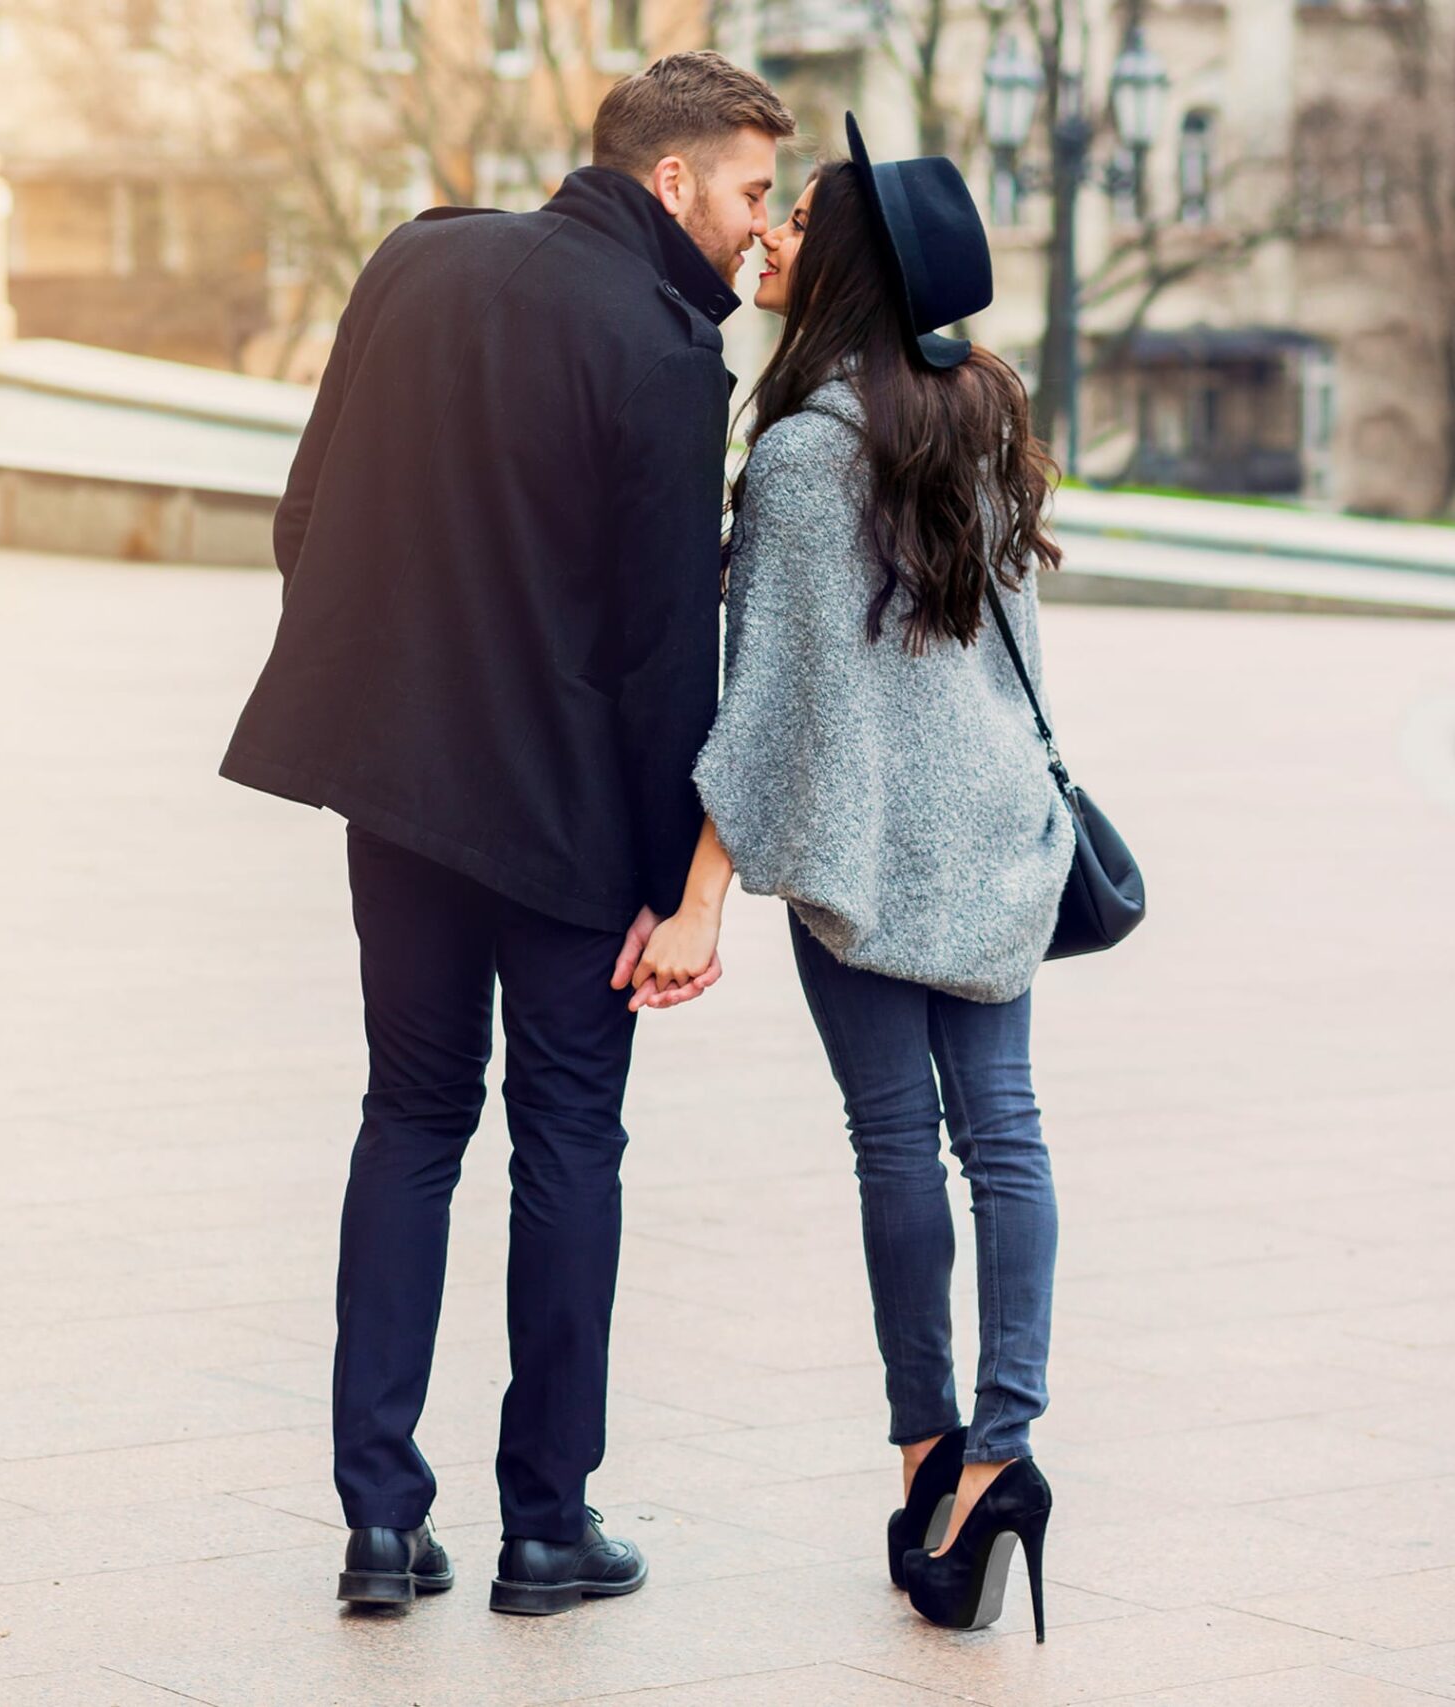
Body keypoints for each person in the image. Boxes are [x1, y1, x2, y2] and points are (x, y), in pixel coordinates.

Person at [218, 53, 795, 1616]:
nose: (763, 230)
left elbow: (303, 519)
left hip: (399, 801)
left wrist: (395, 702)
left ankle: (380, 1527)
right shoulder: (667, 354)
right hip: (566, 839)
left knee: (407, 1121)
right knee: (565, 1146)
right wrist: (679, 888)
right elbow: (671, 657)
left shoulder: (416, 255)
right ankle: (548, 1525)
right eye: (751, 192)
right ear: (669, 181)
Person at [628, 114, 1074, 1641]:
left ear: (855, 268)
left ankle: (925, 1460)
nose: (772, 238)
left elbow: (768, 709)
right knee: (1002, 1141)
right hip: (1000, 835)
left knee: (900, 1151)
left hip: (877, 854)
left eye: (799, 219)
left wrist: (697, 900)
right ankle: (1003, 1450)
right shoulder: (987, 413)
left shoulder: (812, 453)